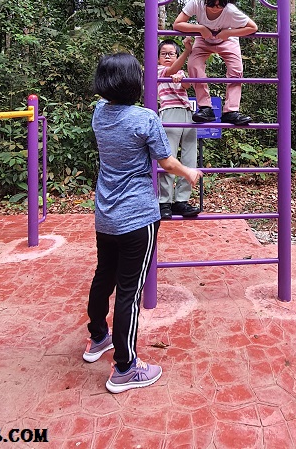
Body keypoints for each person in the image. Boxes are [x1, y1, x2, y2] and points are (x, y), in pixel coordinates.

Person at [83, 52, 202, 393]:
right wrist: (189, 172)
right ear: (132, 82)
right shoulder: (145, 119)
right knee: (129, 291)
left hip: (105, 214)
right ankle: (124, 367)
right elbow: (165, 161)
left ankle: (98, 339)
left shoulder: (98, 113)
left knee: (103, 275)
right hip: (137, 217)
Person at [173, 0, 257, 126]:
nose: (216, 8)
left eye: (220, 4)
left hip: (227, 40)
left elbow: (252, 27)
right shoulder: (196, 2)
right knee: (194, 64)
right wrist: (199, 28)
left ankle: (231, 111)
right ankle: (205, 108)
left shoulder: (231, 10)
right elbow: (177, 24)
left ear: (227, 0)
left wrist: (228, 33)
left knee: (236, 69)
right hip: (203, 40)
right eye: (211, 4)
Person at [157, 37, 200, 219]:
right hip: (169, 112)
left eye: (171, 53)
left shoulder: (179, 71)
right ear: (158, 57)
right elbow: (170, 71)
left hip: (186, 111)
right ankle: (164, 202)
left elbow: (188, 84)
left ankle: (182, 201)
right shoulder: (158, 70)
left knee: (190, 157)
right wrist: (186, 51)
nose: (167, 56)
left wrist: (182, 75)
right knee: (169, 156)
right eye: (164, 54)